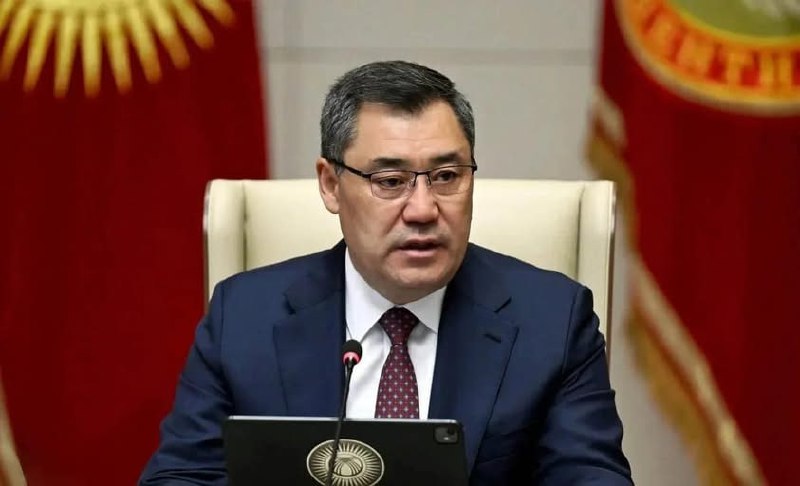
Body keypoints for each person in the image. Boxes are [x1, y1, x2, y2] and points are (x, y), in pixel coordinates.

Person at [139, 60, 632, 485]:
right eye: (390, 181)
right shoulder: (244, 316)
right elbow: (182, 476)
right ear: (331, 185)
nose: (423, 209)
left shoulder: (553, 321)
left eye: (446, 177)